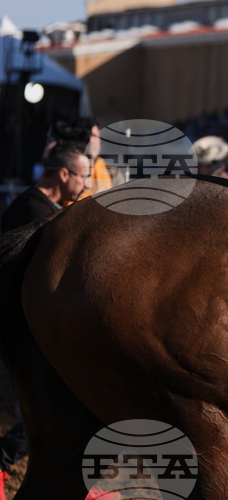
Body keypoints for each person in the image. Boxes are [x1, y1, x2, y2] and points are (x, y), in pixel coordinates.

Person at [1, 143, 90, 496]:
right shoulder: (32, 210)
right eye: (83, 174)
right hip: (27, 326)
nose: (86, 181)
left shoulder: (48, 209)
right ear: (64, 174)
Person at [1, 144, 91, 232]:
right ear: (63, 174)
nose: (87, 185)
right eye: (84, 177)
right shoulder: (36, 212)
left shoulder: (43, 207)